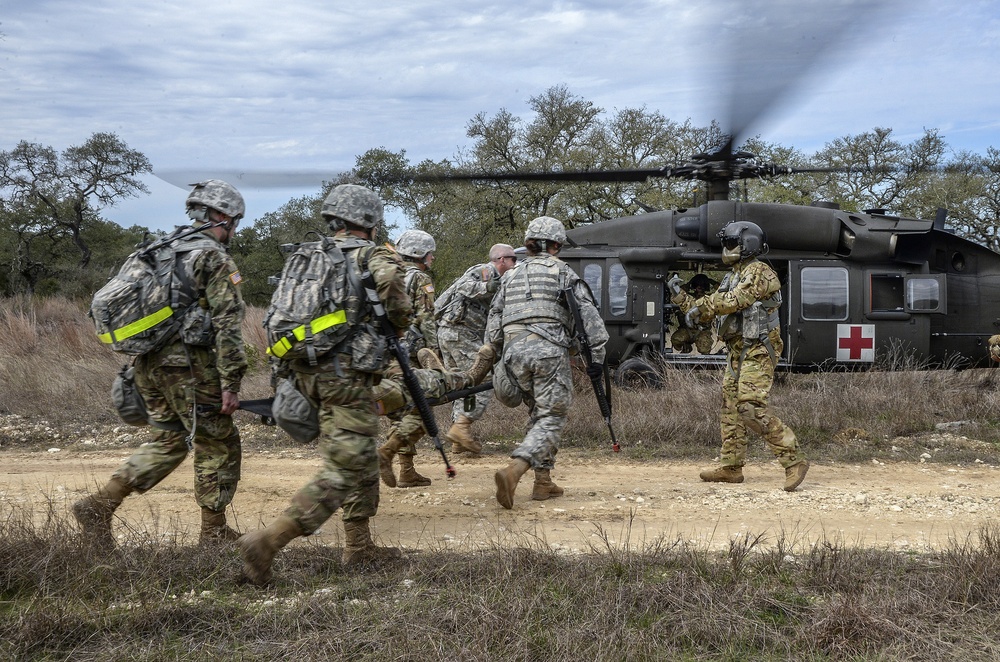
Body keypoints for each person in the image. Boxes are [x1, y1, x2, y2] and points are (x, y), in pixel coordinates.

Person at [239, 184, 412, 586]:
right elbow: (398, 306)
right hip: (345, 377)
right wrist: (394, 328)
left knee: (361, 453)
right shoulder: (375, 256)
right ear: (369, 220)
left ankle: (359, 545)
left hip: (302, 373)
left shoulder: (305, 255)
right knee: (344, 468)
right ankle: (267, 541)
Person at [73, 179, 248, 547]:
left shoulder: (157, 250)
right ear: (219, 216)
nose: (234, 228)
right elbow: (228, 323)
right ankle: (214, 533)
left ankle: (99, 506)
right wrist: (231, 383)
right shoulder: (212, 256)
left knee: (169, 440)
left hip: (147, 364)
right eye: (234, 220)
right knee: (217, 442)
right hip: (189, 366)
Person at [669, 221, 809, 491]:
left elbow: (734, 301)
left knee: (749, 407)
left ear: (748, 245)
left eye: (731, 242)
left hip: (759, 349)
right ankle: (731, 467)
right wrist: (681, 298)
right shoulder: (733, 274)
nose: (726, 248)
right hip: (737, 349)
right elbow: (710, 308)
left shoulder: (759, 271)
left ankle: (794, 460)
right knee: (731, 408)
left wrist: (700, 306)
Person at [487, 217, 608, 509]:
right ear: (556, 245)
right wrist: (599, 357)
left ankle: (543, 482)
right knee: (552, 416)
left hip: (513, 355)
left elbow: (494, 321)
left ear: (529, 244)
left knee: (537, 413)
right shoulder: (562, 272)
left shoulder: (510, 276)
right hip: (547, 353)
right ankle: (515, 470)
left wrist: (494, 356)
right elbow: (589, 316)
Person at [436, 243, 518, 454]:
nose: (515, 263)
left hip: (451, 334)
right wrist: (489, 287)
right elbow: (464, 286)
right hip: (461, 334)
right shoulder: (486, 271)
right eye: (513, 259)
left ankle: (458, 438)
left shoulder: (498, 278)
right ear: (502, 260)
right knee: (479, 378)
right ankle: (461, 428)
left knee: (462, 384)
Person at [377, 229, 441, 488]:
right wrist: (434, 351)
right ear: (419, 254)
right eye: (430, 254)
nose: (432, 258)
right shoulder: (420, 278)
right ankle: (394, 458)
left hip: (384, 351)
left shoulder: (386, 273)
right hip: (410, 353)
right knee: (419, 408)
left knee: (399, 407)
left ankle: (406, 469)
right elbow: (426, 317)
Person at [669, 273, 718, 354]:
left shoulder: (709, 298)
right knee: (676, 340)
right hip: (686, 329)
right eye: (697, 285)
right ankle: (686, 348)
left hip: (703, 330)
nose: (700, 287)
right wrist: (690, 283)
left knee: (705, 349)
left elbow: (722, 293)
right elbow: (678, 294)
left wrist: (712, 282)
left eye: (703, 285)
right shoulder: (688, 297)